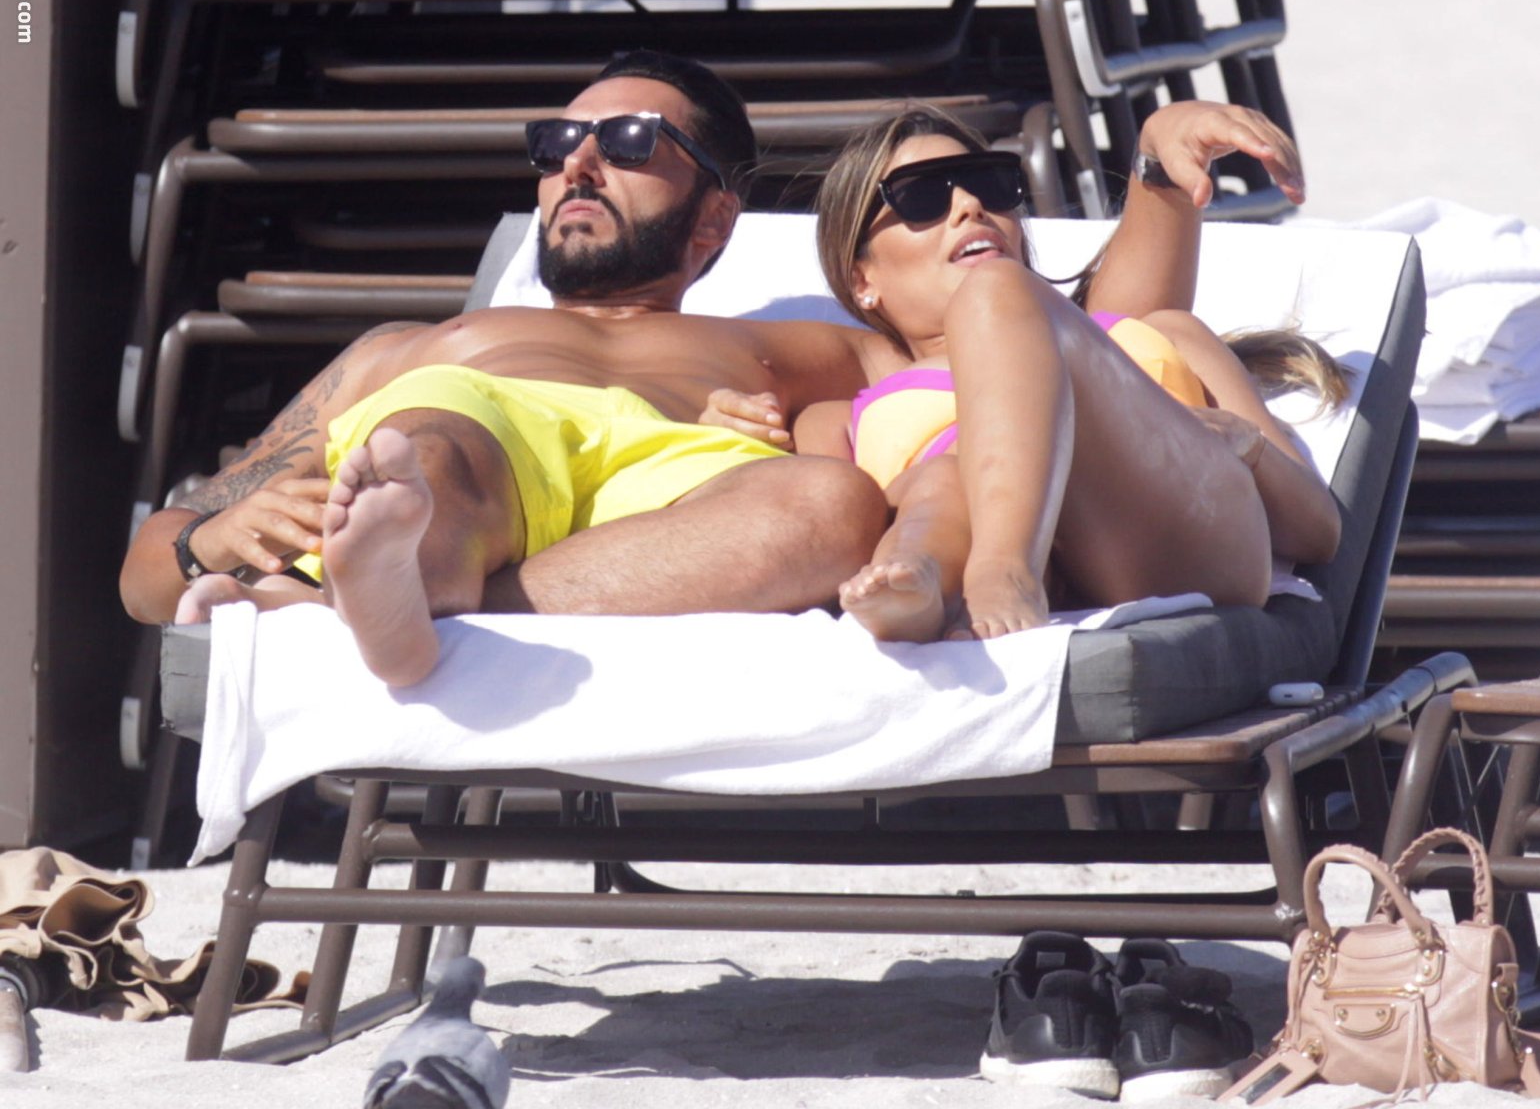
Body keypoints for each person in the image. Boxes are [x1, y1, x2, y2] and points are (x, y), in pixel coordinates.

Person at [119, 49, 1305, 684]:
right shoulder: (408, 351)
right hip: (471, 434)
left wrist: (1160, 180)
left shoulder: (794, 350)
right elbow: (143, 565)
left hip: (668, 497)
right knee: (425, 454)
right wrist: (201, 541)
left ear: (713, 220)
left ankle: (381, 602)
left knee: (829, 502)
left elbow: (1068, 344)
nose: (579, 163)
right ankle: (397, 571)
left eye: (629, 143)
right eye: (558, 142)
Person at [706, 107, 1343, 642]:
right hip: (970, 557)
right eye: (921, 196)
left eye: (989, 184)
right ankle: (923, 581)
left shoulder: (1156, 334)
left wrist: (1246, 445)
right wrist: (729, 443)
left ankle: (1006, 569)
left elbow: (1320, 532)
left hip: (1181, 538)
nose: (968, 205)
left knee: (995, 293)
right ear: (861, 280)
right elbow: (820, 545)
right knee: (941, 479)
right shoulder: (835, 419)